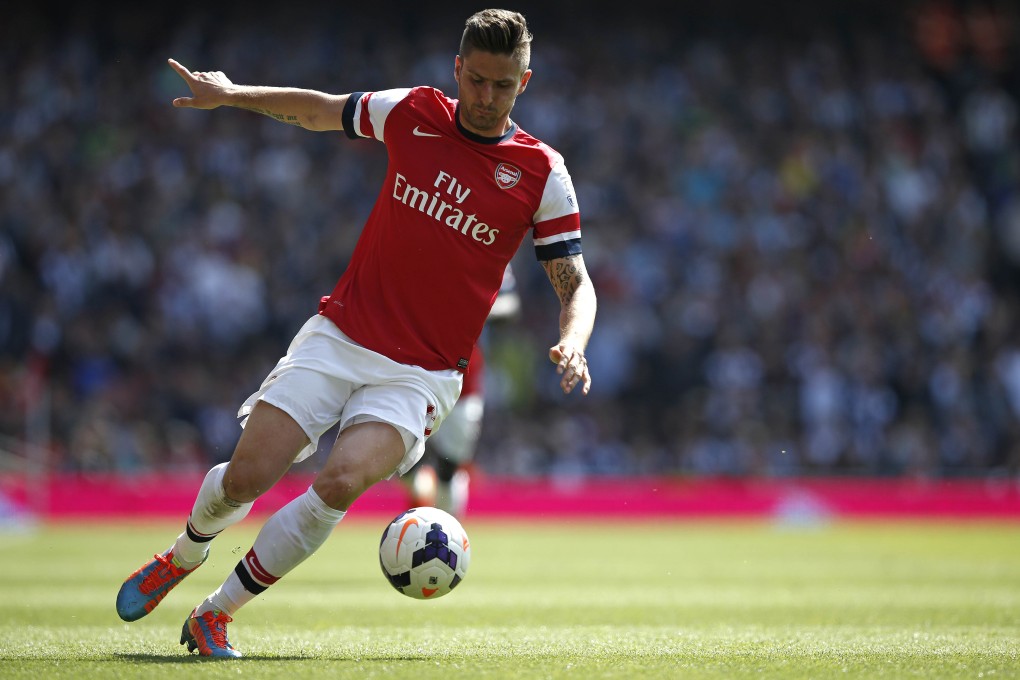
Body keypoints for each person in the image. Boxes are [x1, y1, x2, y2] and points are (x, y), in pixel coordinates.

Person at [115, 8, 596, 659]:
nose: (485, 98)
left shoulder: (542, 172)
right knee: (247, 478)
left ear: (525, 82)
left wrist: (575, 338)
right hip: (340, 336)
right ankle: (183, 553)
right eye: (476, 80)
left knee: (340, 480)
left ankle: (215, 614)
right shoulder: (414, 112)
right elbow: (320, 110)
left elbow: (575, 282)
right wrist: (231, 96)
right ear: (458, 69)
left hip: (422, 373)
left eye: (502, 85)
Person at [406, 265, 521, 516]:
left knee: (452, 463)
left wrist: (470, 309)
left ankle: (443, 533)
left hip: (461, 374)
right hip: (407, 364)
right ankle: (419, 487)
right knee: (396, 453)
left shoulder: (490, 247)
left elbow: (510, 305)